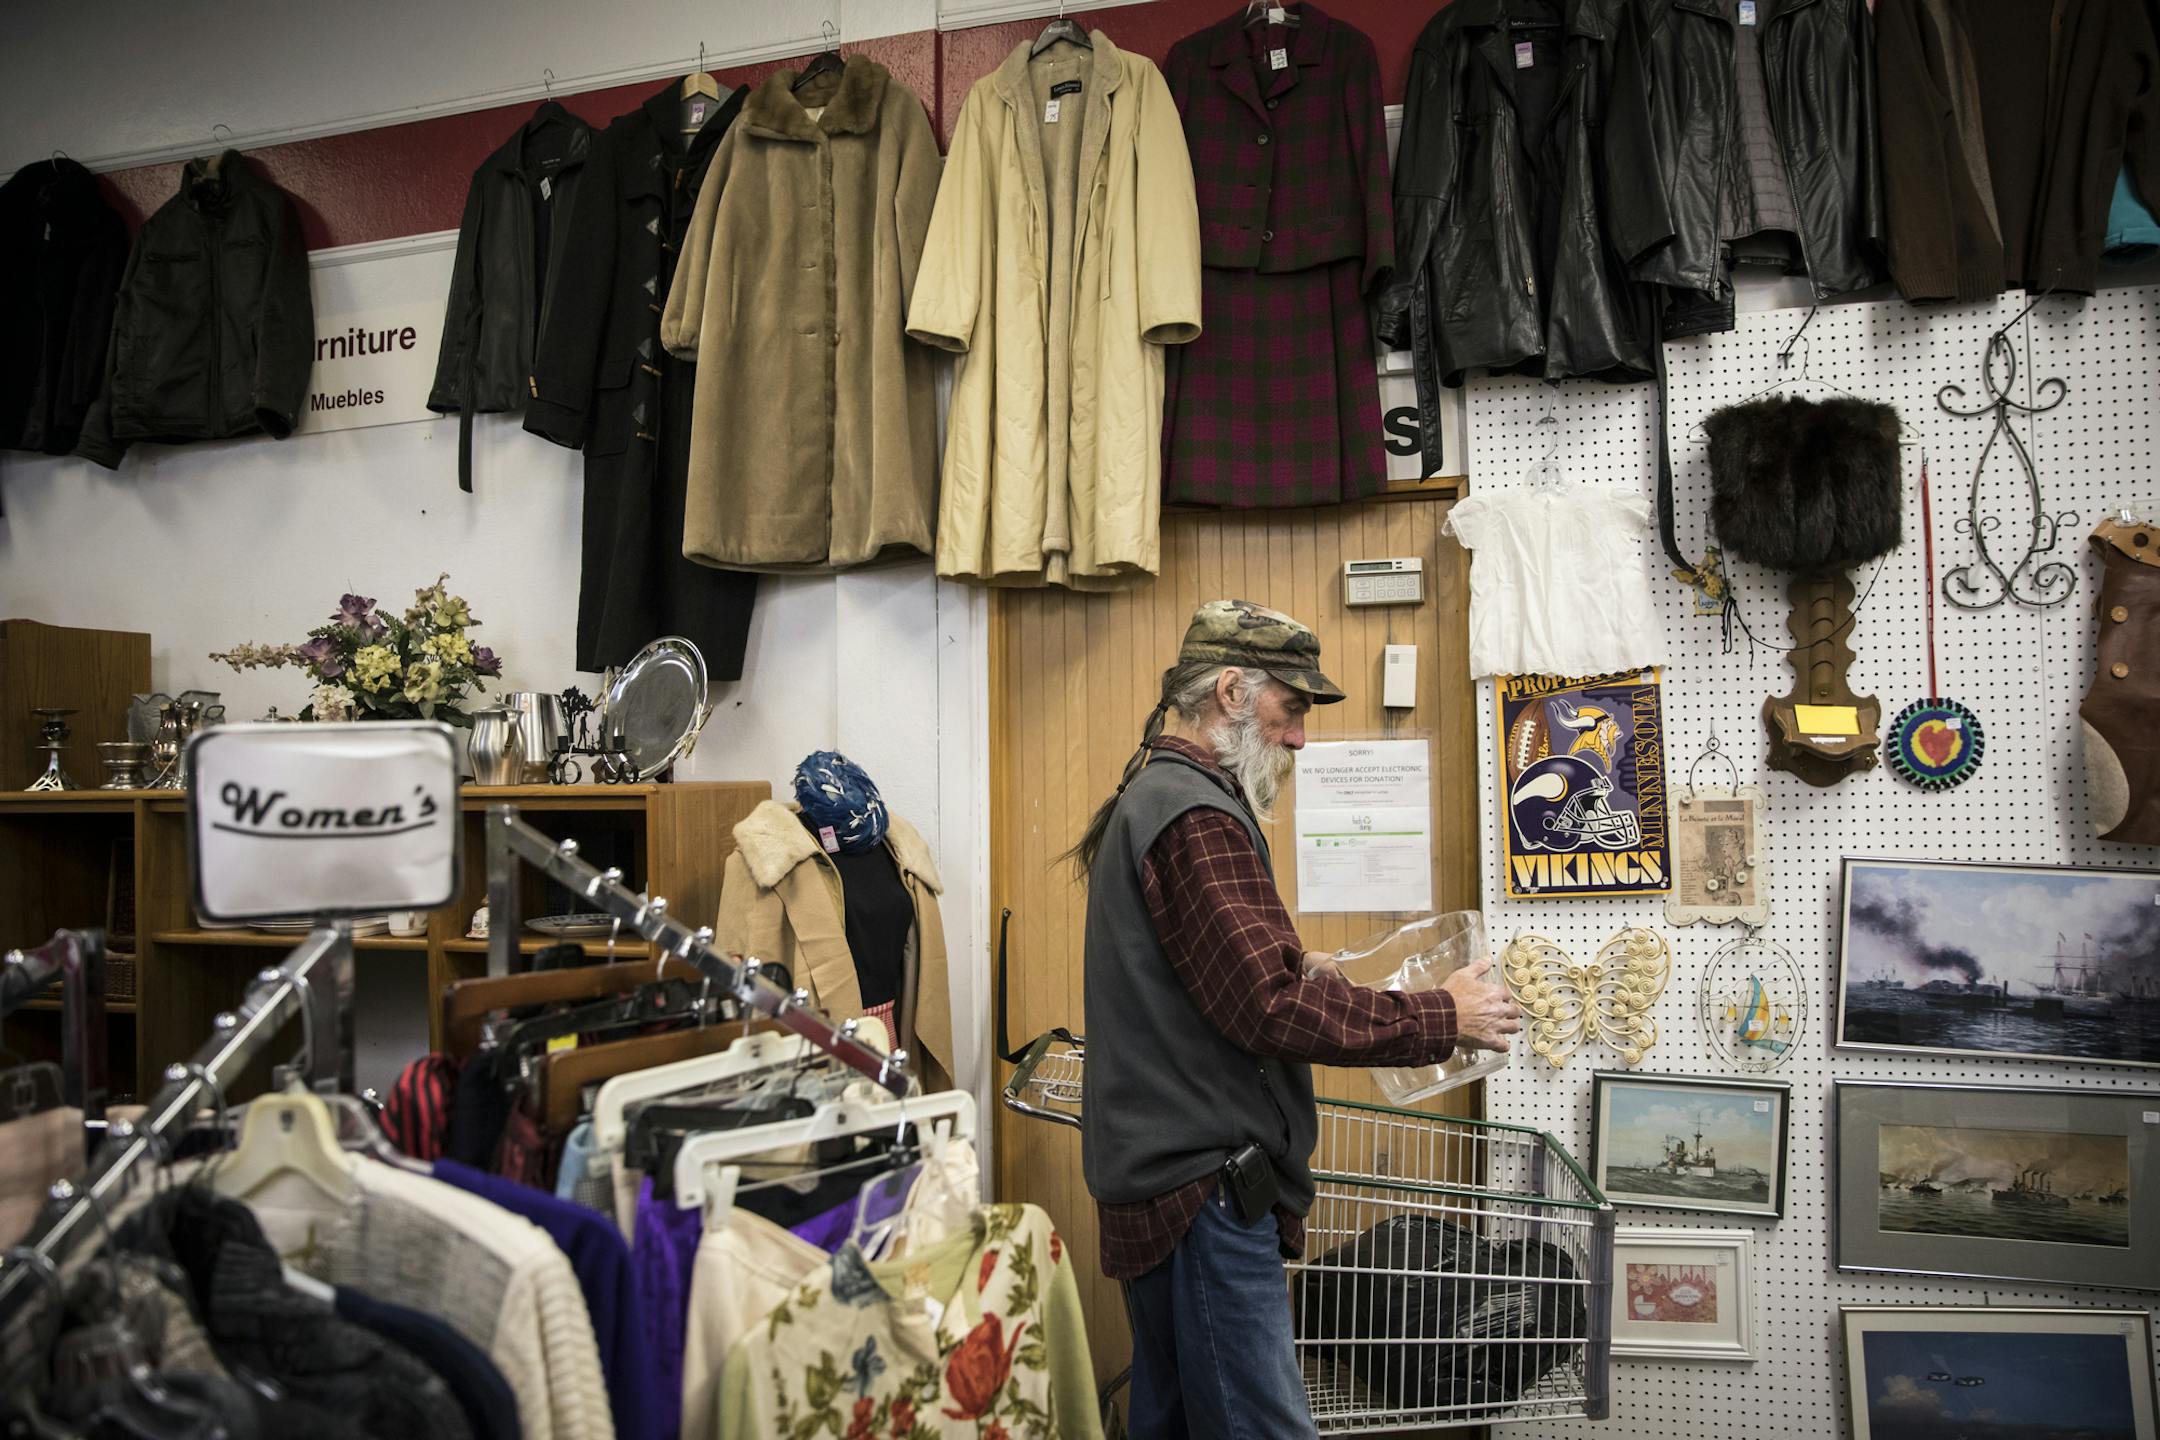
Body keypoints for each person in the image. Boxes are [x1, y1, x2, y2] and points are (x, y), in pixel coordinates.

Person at [1073, 598, 1522, 1440]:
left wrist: (1295, 961)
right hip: (1204, 1192)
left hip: (1168, 1183)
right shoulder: (1195, 813)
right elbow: (1266, 1009)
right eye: (1292, 708)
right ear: (1232, 692)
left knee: (1174, 1420)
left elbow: (1211, 977)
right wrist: (1443, 1014)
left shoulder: (1162, 794)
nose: (1302, 738)